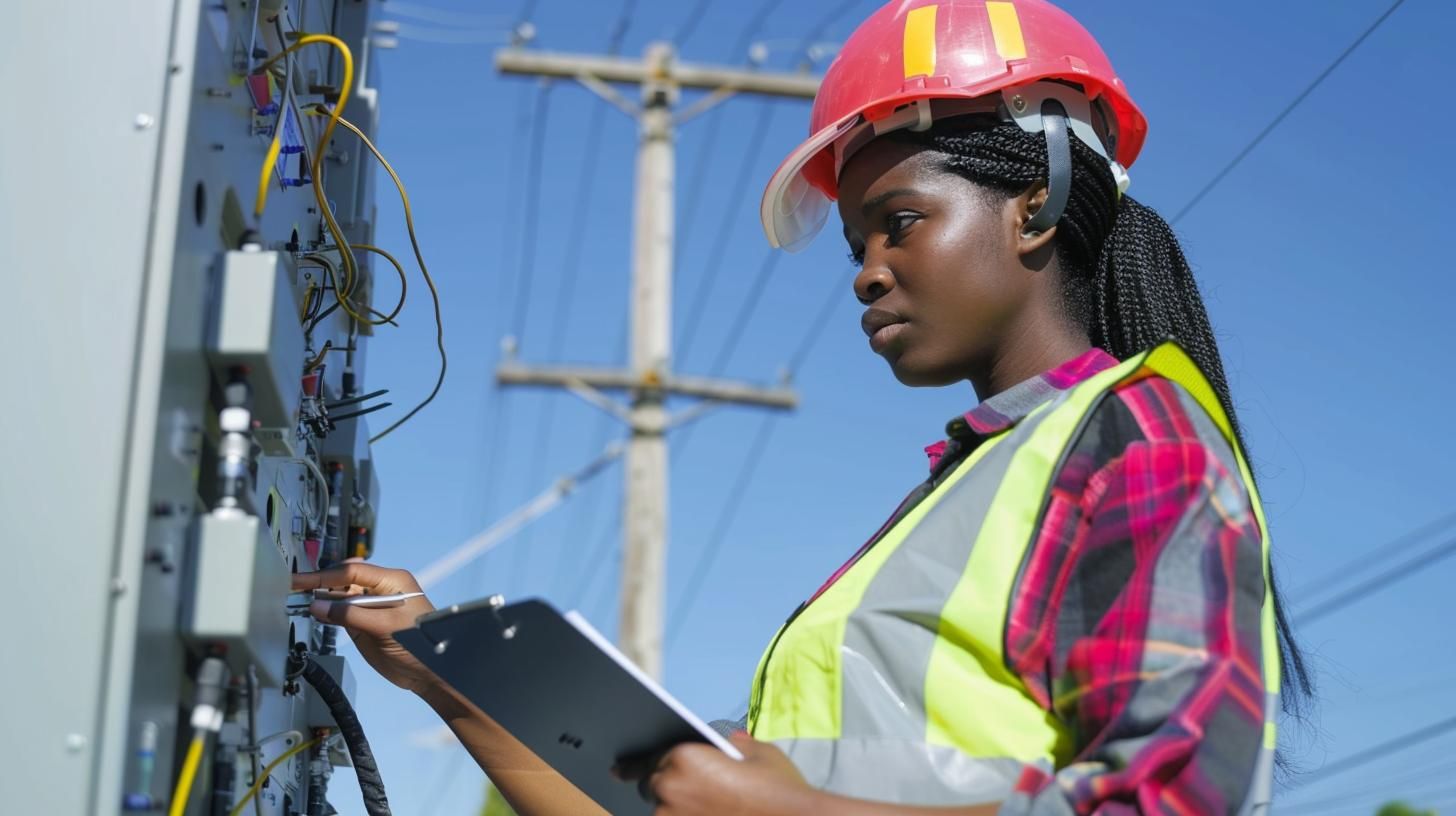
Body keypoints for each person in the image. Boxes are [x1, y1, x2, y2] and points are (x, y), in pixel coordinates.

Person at [293, 1, 1312, 812]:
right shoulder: (972, 489)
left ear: (1035, 201)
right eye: (855, 247)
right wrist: (441, 677)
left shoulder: (1138, 446)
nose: (867, 275)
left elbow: (1178, 800)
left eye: (898, 224)